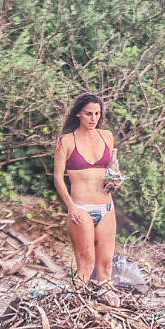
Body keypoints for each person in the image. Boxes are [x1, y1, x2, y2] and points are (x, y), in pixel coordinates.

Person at [52, 93, 123, 305]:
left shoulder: (107, 136)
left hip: (106, 206)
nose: (93, 118)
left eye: (97, 114)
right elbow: (58, 178)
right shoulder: (66, 140)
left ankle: (106, 306)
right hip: (80, 208)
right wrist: (71, 206)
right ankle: (75, 305)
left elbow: (112, 169)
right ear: (78, 114)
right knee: (86, 263)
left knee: (106, 263)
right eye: (88, 114)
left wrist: (116, 180)